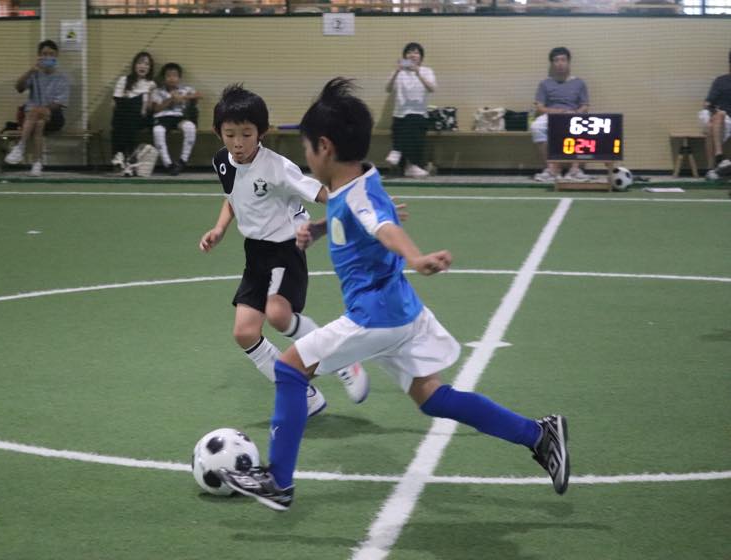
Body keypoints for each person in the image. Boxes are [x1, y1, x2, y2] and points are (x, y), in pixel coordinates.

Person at [216, 78, 570, 511]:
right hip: (402, 313)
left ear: (324, 147)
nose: (306, 158)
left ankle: (278, 481)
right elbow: (361, 217)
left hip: (375, 316)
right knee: (432, 397)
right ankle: (539, 434)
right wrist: (321, 228)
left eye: (307, 148)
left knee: (290, 370)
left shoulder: (359, 196)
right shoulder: (357, 182)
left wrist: (415, 257)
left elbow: (383, 227)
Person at [199, 84, 370, 418]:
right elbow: (233, 197)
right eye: (230, 134)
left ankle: (342, 360)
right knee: (244, 333)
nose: (238, 143)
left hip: (285, 249)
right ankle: (305, 396)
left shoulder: (276, 167)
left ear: (261, 133)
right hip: (256, 254)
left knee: (278, 314)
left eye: (246, 134)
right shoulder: (223, 162)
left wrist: (361, 204)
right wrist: (219, 229)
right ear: (218, 133)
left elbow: (319, 192)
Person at [4, 39, 70, 177]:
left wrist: (44, 110)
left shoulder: (62, 77)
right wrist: (30, 71)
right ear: (39, 56)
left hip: (54, 116)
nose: (48, 57)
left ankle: (20, 147)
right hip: (33, 117)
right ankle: (37, 164)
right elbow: (19, 88)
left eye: (51, 54)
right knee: (39, 123)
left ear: (56, 56)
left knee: (36, 113)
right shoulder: (34, 74)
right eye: (44, 54)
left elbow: (59, 103)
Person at [531, 47, 590, 183]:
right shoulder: (545, 83)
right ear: (552, 63)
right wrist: (557, 112)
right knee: (536, 127)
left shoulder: (579, 83)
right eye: (556, 60)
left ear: (568, 62)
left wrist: (575, 113)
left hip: (573, 115)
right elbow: (540, 107)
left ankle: (575, 170)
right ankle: (552, 169)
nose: (560, 63)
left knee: (585, 127)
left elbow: (585, 105)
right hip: (551, 115)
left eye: (563, 60)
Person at [384, 42, 436, 179]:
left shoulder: (427, 71)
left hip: (419, 113)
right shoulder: (399, 72)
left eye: (416, 52)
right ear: (405, 56)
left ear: (421, 57)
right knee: (405, 123)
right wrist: (396, 71)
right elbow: (388, 89)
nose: (413, 55)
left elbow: (432, 88)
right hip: (400, 113)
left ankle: (397, 151)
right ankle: (410, 166)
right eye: (409, 52)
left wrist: (418, 73)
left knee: (412, 124)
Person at [110, 51, 156, 174]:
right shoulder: (124, 80)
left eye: (146, 64)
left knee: (132, 106)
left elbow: (150, 108)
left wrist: (150, 93)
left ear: (150, 68)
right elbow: (115, 102)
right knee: (124, 114)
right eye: (140, 63)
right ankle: (128, 160)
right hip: (125, 116)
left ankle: (119, 155)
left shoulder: (151, 84)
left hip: (142, 117)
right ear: (134, 65)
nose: (143, 66)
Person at [151, 63, 200, 175]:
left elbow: (198, 95)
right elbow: (156, 109)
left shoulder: (185, 89)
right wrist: (171, 99)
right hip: (162, 118)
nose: (172, 78)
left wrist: (183, 97)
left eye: (175, 75)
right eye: (168, 75)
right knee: (157, 131)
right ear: (164, 78)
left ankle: (183, 161)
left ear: (179, 77)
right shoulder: (157, 91)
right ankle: (168, 164)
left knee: (190, 127)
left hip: (179, 117)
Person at [701, 49, 731, 182]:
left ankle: (716, 169)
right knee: (717, 118)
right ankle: (719, 158)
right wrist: (714, 112)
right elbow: (707, 103)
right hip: (723, 119)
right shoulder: (721, 81)